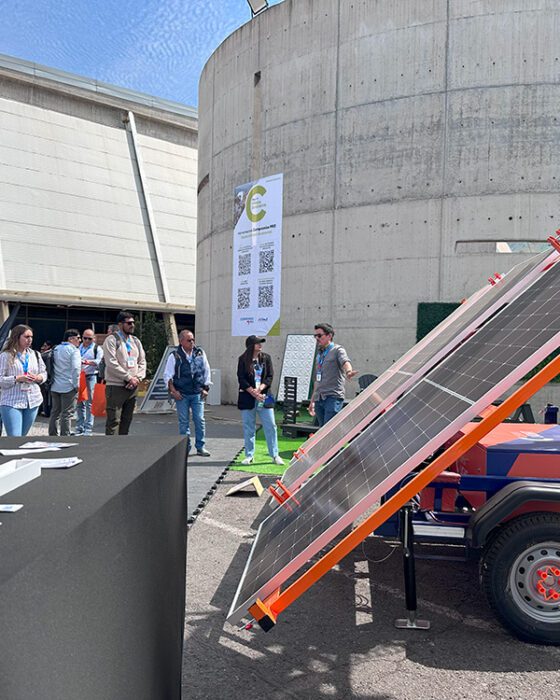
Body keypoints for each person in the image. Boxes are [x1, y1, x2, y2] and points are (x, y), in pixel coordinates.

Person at [236, 335, 284, 466]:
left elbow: (270, 376)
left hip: (264, 396)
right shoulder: (242, 359)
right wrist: (253, 392)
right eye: (257, 343)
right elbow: (241, 379)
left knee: (271, 425)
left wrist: (260, 389)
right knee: (249, 427)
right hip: (248, 397)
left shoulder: (266, 358)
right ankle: (249, 455)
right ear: (251, 346)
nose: (260, 345)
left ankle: (275, 455)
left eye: (261, 342)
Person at [164, 329, 211, 456]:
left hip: (197, 392)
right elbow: (168, 376)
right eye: (189, 340)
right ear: (181, 341)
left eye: (193, 339)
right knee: (184, 422)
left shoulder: (200, 353)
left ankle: (201, 446)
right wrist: (174, 391)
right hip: (182, 394)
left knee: (199, 420)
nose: (192, 342)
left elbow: (206, 370)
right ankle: (185, 447)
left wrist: (206, 388)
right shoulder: (174, 356)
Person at [102, 310, 146, 435]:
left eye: (133, 323)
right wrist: (128, 377)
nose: (132, 325)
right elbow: (111, 363)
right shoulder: (111, 340)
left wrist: (137, 378)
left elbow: (142, 362)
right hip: (116, 386)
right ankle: (111, 446)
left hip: (132, 387)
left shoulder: (135, 341)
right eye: (129, 323)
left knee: (127, 420)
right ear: (120, 324)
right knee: (114, 421)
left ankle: (123, 445)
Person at [0, 324, 47, 436]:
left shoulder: (35, 354)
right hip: (11, 401)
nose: (30, 340)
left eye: (31, 337)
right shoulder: (5, 356)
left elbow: (44, 373)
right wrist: (17, 378)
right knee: (15, 437)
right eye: (26, 337)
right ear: (17, 337)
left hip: (33, 400)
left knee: (23, 437)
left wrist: (38, 378)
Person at [309, 323, 357, 427]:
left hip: (332, 397)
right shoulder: (320, 354)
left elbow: (345, 361)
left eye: (319, 335)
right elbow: (317, 380)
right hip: (319, 398)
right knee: (322, 430)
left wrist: (348, 371)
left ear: (329, 335)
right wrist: (312, 400)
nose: (317, 338)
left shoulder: (338, 350)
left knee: (329, 429)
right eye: (315, 336)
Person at [49, 329, 81, 436]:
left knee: (55, 412)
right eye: (78, 338)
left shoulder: (56, 348)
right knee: (67, 414)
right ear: (71, 339)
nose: (80, 340)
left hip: (55, 385)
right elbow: (76, 368)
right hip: (68, 385)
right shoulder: (74, 350)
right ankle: (65, 436)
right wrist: (76, 385)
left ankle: (52, 434)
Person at [75, 329, 103, 436]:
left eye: (89, 339)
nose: (86, 340)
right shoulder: (78, 347)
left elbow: (98, 361)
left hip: (91, 376)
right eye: (84, 338)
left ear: (94, 339)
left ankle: (88, 428)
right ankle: (79, 427)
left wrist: (86, 362)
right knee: (79, 402)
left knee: (89, 403)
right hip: (80, 377)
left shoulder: (97, 349)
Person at [39, 339, 54, 417]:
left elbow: (48, 367)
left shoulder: (46, 355)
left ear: (49, 346)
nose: (43, 347)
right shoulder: (52, 354)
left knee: (45, 395)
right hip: (49, 377)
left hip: (45, 377)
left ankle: (45, 411)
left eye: (45, 346)